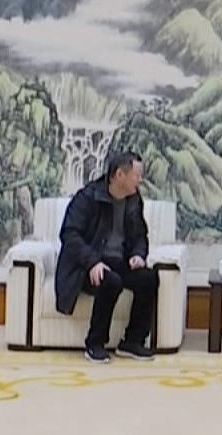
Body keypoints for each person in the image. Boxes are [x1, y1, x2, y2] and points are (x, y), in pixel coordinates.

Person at [57, 150, 159, 364]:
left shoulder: (134, 200)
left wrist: (138, 254)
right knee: (111, 281)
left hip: (119, 261)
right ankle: (94, 344)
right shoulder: (88, 197)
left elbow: (140, 235)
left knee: (148, 278)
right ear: (120, 175)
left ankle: (132, 341)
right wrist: (92, 261)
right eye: (136, 175)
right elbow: (69, 234)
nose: (140, 180)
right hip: (86, 265)